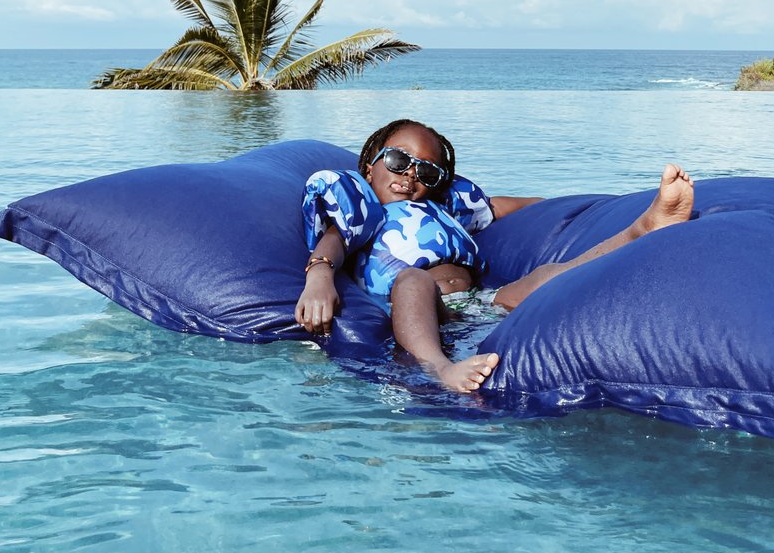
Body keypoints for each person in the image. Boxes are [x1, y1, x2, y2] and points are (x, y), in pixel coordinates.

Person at [295, 119, 694, 394]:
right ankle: (441, 369)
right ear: (370, 166)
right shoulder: (364, 207)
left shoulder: (445, 208)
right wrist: (319, 279)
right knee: (412, 280)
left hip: (479, 303)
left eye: (427, 172)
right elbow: (335, 238)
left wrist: (600, 204)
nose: (411, 176)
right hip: (419, 304)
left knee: (546, 275)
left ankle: (640, 228)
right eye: (399, 161)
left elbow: (506, 206)